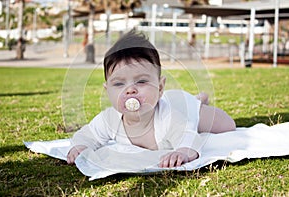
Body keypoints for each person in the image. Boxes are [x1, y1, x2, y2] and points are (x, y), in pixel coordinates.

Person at [67, 30, 236, 168]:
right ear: (107, 91)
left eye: (141, 81)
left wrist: (183, 151)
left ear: (160, 87)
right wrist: (80, 146)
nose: (130, 90)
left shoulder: (169, 118)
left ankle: (198, 101)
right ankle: (198, 97)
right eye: (119, 84)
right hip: (174, 101)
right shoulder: (110, 120)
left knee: (227, 125)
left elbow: (189, 136)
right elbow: (87, 135)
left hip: (185, 107)